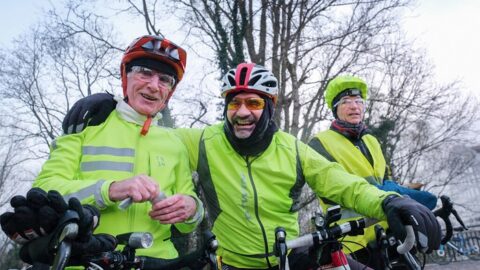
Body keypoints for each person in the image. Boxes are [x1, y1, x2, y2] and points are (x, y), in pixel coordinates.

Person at [56, 63, 440, 269]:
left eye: (253, 103)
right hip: (234, 264)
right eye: (234, 103)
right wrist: (110, 104)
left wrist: (388, 203)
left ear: (268, 108)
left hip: (293, 257)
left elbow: (342, 183)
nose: (242, 112)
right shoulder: (203, 142)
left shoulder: (291, 147)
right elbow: (151, 128)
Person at [1, 35, 203, 264]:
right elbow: (44, 191)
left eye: (165, 80)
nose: (154, 85)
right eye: (144, 73)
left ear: (170, 92)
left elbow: (190, 224)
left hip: (160, 263)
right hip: (87, 260)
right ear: (125, 76)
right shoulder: (86, 127)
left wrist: (191, 208)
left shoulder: (175, 143)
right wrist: (110, 190)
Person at [308, 75, 438, 268]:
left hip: (389, 233)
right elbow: (331, 189)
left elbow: (386, 181)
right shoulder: (320, 142)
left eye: (359, 101)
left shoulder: (372, 141)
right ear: (335, 108)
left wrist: (407, 197)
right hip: (353, 243)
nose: (355, 106)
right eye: (346, 102)